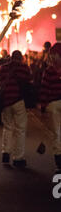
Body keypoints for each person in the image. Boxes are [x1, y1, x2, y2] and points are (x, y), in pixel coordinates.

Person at [0, 50, 32, 167]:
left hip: (6, 101)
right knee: (20, 129)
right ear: (21, 58)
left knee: (8, 127)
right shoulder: (24, 68)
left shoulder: (2, 68)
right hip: (19, 101)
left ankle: (5, 154)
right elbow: (28, 82)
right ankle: (18, 158)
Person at [40, 43, 61, 173]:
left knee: (56, 134)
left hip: (53, 104)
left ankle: (59, 162)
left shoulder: (49, 70)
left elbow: (45, 89)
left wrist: (43, 106)